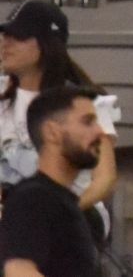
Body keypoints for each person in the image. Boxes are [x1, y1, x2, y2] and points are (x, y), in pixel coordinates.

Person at [0, 1, 117, 215]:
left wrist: (63, 210)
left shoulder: (84, 102)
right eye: (5, 35)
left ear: (47, 44)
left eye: (19, 36)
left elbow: (104, 178)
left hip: (76, 213)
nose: (6, 43)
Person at [0, 85, 103, 277]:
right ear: (52, 132)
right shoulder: (33, 200)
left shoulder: (63, 202)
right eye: (87, 122)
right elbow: (19, 271)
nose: (99, 132)